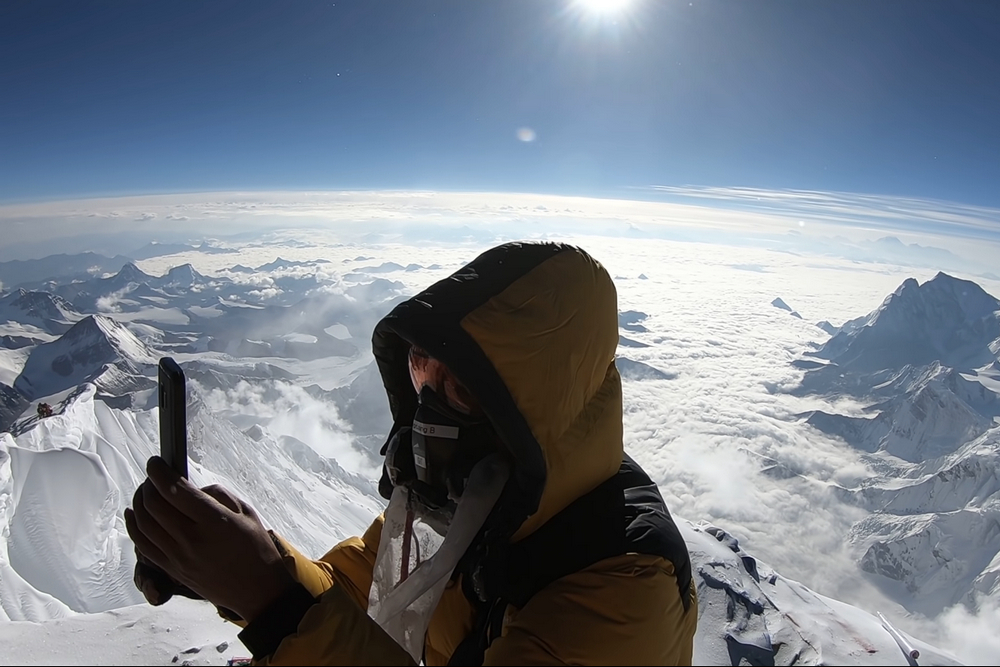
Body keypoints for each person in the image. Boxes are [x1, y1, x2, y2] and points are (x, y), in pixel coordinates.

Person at [125, 241, 698, 665]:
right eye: (421, 368)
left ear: (535, 411)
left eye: (464, 388)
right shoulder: (475, 501)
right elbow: (356, 591)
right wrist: (248, 568)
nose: (427, 412)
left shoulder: (624, 593)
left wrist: (271, 603)